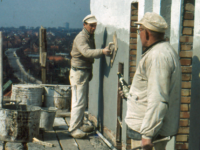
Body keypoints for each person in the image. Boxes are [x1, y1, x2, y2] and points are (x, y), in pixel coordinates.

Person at [120, 12, 181, 150]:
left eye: (139, 30)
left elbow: (158, 99)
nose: (139, 34)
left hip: (147, 131)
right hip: (149, 128)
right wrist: (132, 94)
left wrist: (147, 136)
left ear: (147, 33)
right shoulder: (162, 51)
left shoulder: (157, 57)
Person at [69, 14, 111, 138]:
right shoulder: (81, 37)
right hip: (78, 73)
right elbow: (87, 52)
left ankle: (80, 124)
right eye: (91, 26)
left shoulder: (89, 36)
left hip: (83, 72)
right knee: (78, 101)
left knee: (82, 100)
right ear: (84, 25)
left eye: (95, 26)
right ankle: (73, 129)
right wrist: (102, 51)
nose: (93, 28)